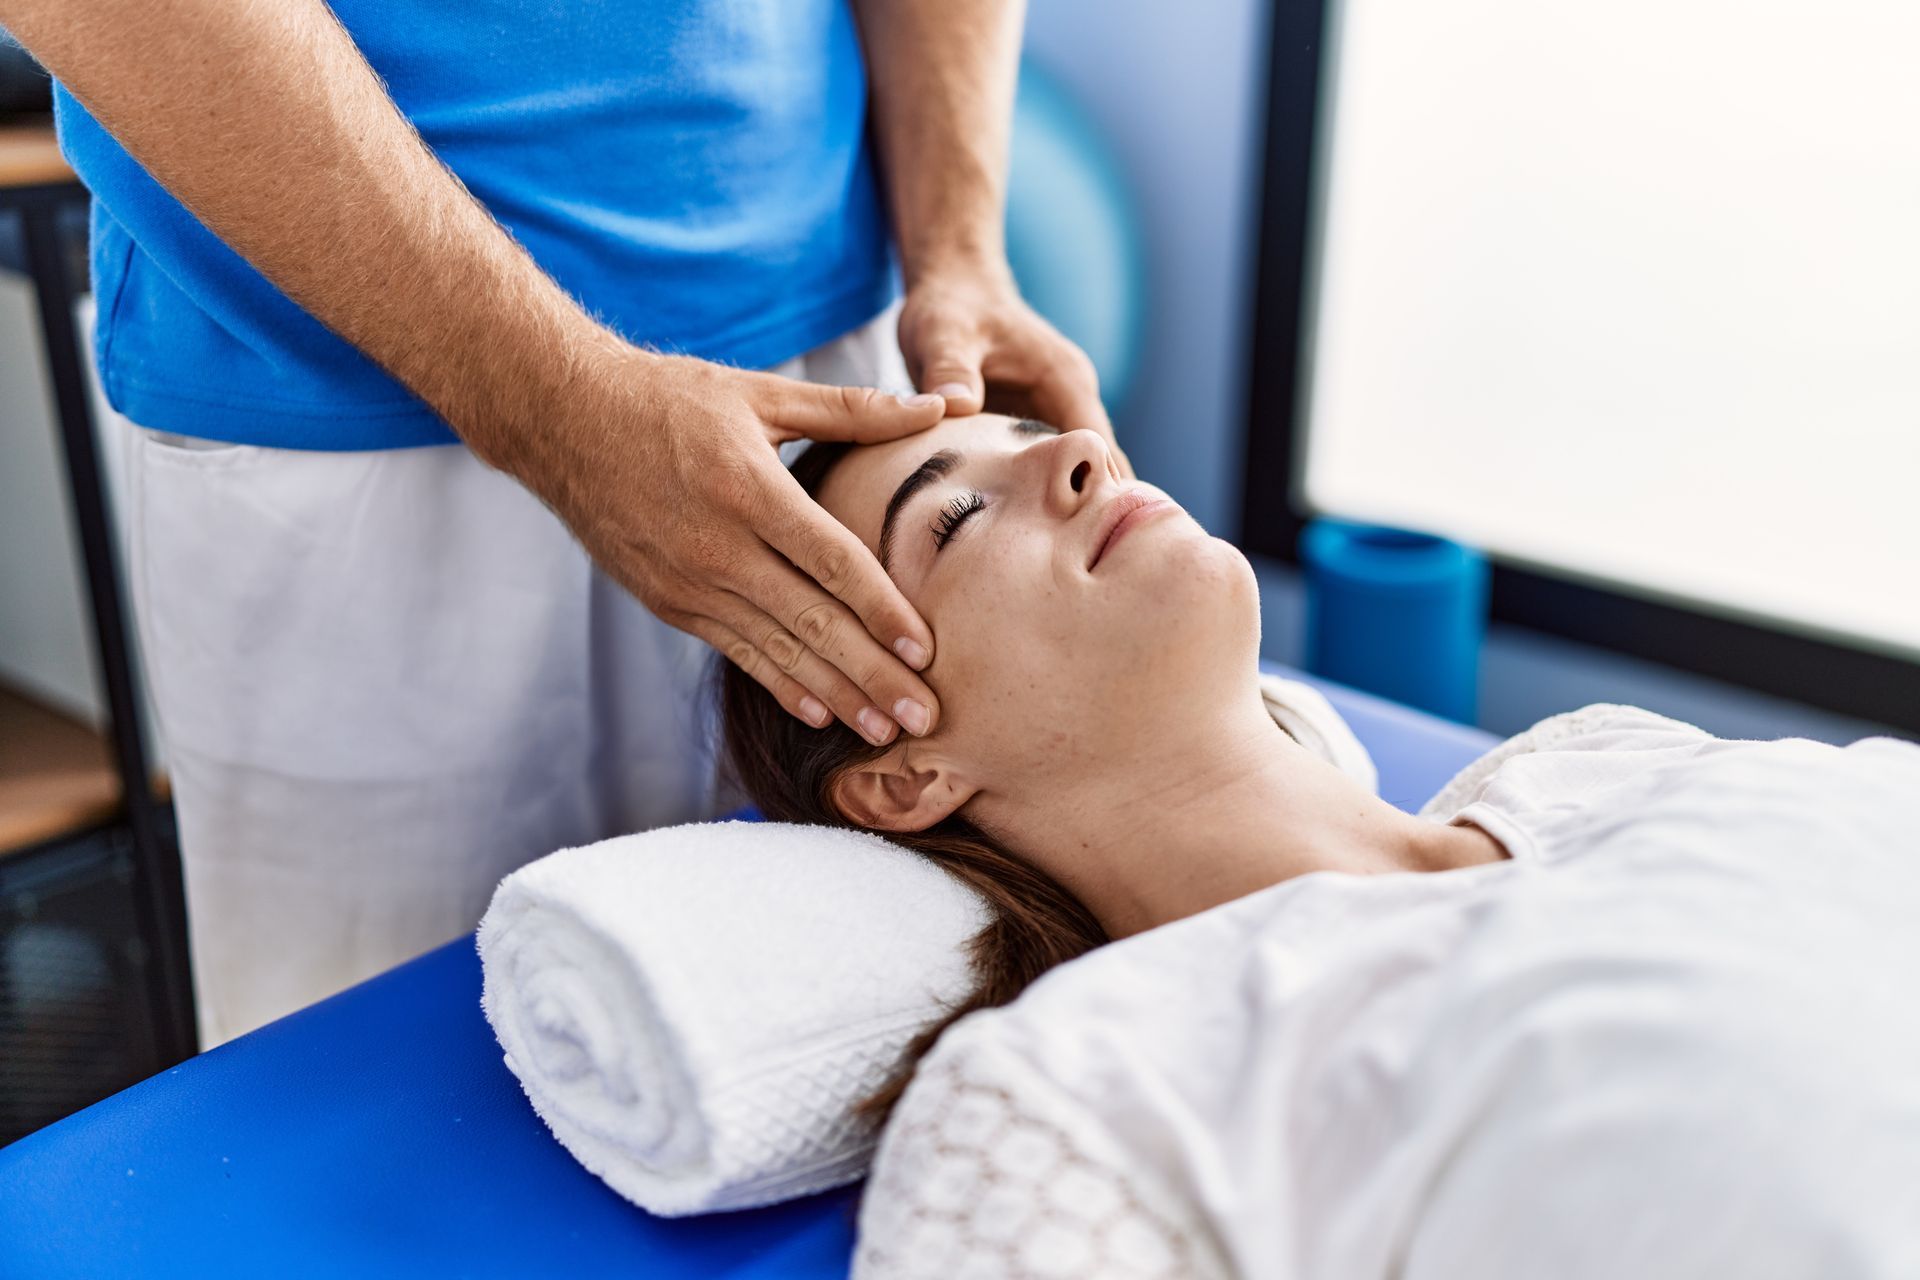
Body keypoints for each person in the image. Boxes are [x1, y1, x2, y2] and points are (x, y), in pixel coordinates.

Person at [0, 0, 1126, 1047]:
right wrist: (552, 404)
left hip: (844, 337)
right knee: (397, 1113)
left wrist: (961, 242)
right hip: (365, 393)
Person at [716, 414, 1920, 1278]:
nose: (1077, 453)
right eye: (959, 513)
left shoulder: (1598, 757)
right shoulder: (1083, 1093)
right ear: (907, 775)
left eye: (1031, 424)